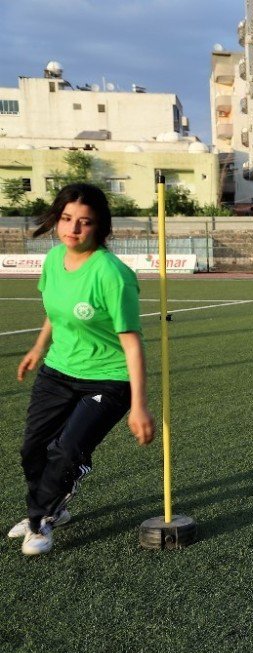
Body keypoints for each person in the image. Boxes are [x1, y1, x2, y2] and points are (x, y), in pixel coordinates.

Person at [9, 183, 155, 556]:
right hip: (58, 370)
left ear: (99, 227)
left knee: (67, 449)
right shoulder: (54, 260)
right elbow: (54, 313)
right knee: (33, 449)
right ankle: (47, 508)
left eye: (84, 222)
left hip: (108, 377)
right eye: (66, 219)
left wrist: (139, 405)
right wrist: (38, 348)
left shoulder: (111, 274)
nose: (73, 229)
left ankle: (41, 520)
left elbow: (131, 343)